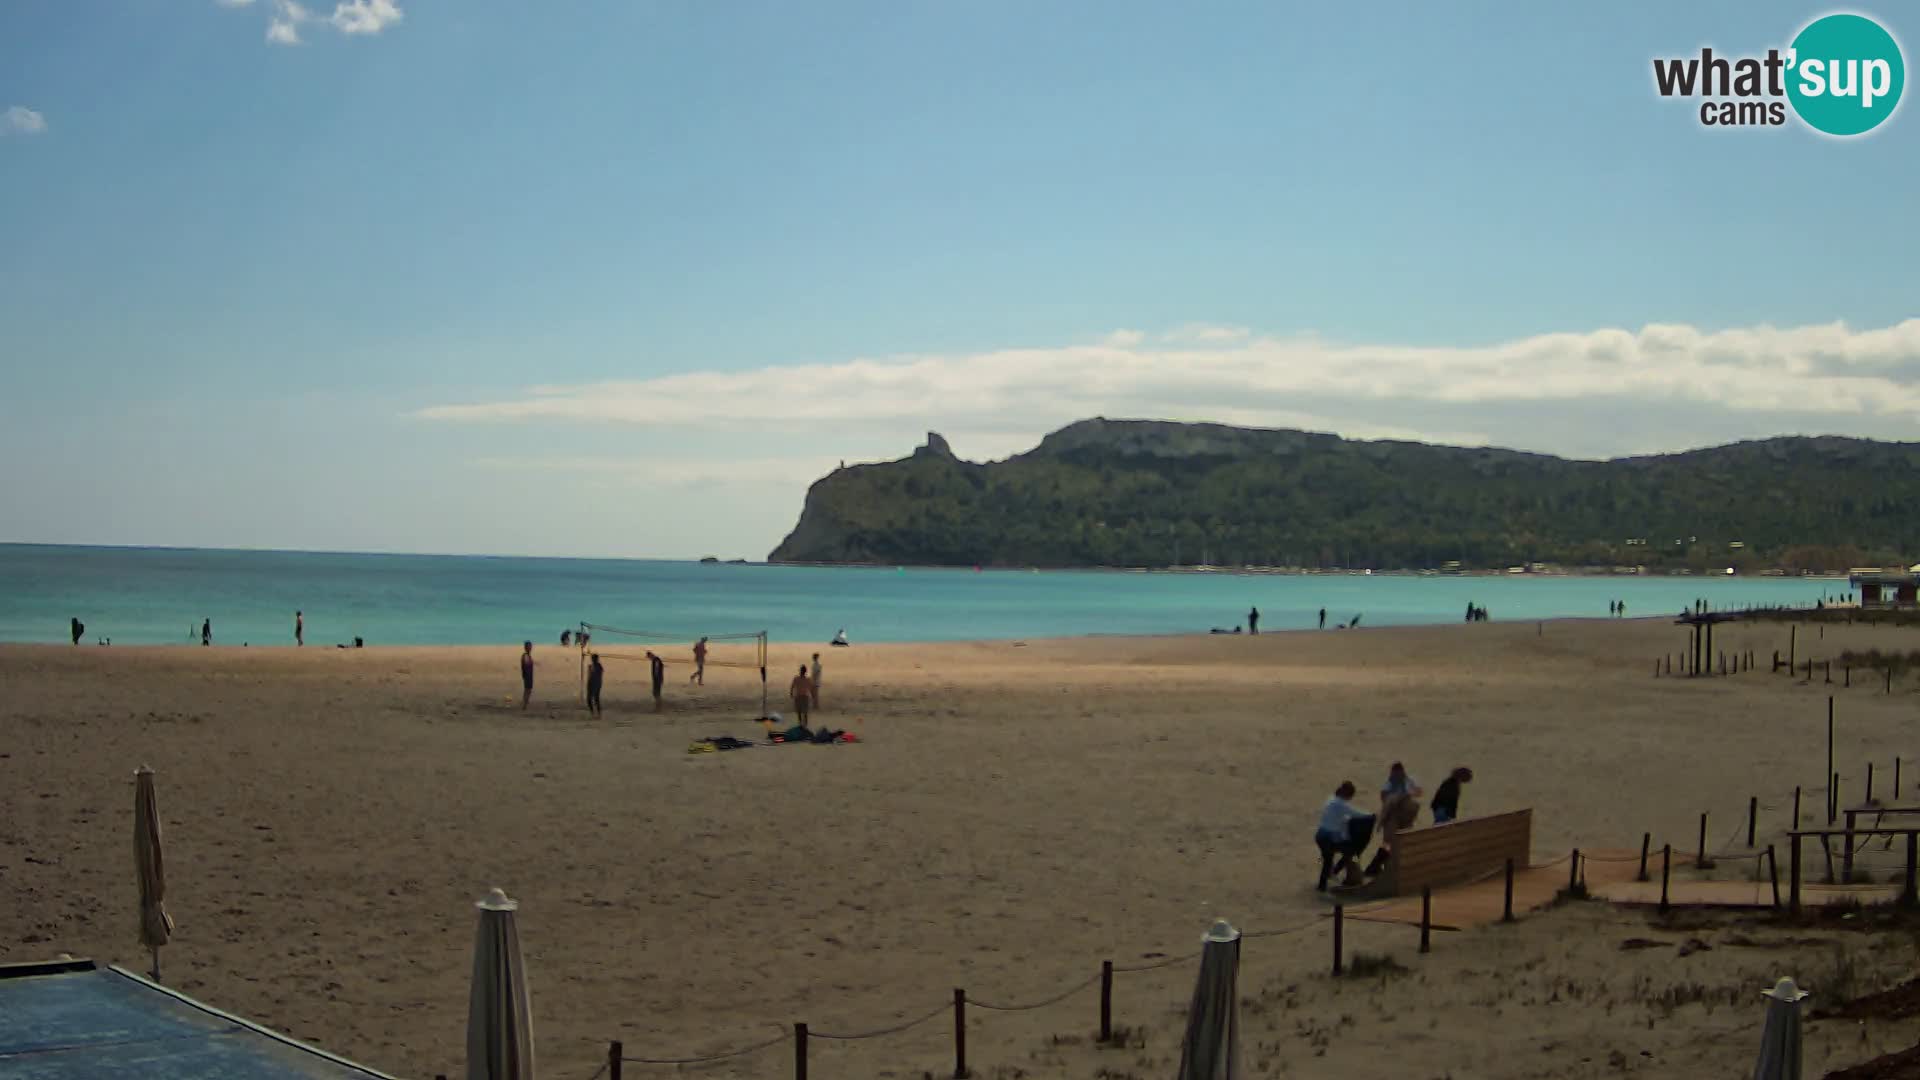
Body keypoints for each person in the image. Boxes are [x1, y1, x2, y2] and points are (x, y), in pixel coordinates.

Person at [1365, 763, 1423, 876]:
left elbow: (1418, 792)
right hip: (1393, 817)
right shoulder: (1389, 785)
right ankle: (1377, 868)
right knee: (1389, 844)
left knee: (1397, 843)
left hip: (1403, 817)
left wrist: (1407, 794)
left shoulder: (1408, 781)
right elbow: (1386, 801)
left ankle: (1378, 868)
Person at [1315, 782, 1375, 891]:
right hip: (1328, 838)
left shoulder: (1331, 799)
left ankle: (1327, 880)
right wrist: (1372, 816)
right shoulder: (1340, 804)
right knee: (1348, 852)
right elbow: (1356, 813)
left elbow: (1342, 818)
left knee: (1329, 859)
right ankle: (1326, 882)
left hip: (1320, 835)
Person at [519, 641, 534, 710]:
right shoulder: (525, 656)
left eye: (530, 646)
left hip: (529, 675)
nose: (530, 648)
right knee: (527, 690)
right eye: (529, 646)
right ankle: (524, 705)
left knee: (528, 689)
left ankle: (525, 703)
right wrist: (525, 675)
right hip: (527, 675)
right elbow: (525, 666)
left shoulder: (528, 655)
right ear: (526, 648)